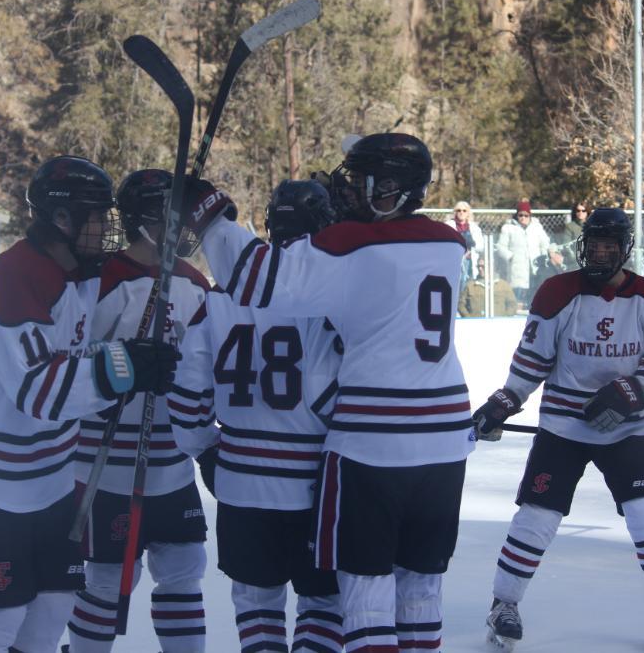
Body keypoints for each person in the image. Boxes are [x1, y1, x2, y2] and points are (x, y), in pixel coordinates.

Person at [189, 132, 475, 652]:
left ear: (388, 188)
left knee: (363, 595)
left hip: (371, 444)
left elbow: (255, 278)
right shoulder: (448, 243)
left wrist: (209, 216)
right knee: (420, 589)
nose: (344, 190)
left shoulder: (352, 246)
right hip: (445, 441)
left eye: (357, 178)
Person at [0, 156, 180, 653]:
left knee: (51, 611)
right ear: (62, 219)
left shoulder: (82, 276)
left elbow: (74, 356)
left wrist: (130, 356)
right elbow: (38, 391)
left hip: (49, 479)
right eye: (97, 217)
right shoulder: (17, 275)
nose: (107, 230)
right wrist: (124, 368)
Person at [472, 207, 644, 651]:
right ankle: (503, 605)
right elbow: (533, 359)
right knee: (536, 518)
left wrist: (631, 394)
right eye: (594, 244)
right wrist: (506, 399)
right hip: (562, 428)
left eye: (609, 246)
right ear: (582, 245)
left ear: (625, 249)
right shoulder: (557, 292)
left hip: (626, 430)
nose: (600, 253)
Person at [169, 179, 345, 653]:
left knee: (255, 600)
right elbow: (332, 398)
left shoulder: (222, 296)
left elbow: (187, 391)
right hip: (316, 484)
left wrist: (202, 448)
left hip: (242, 483)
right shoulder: (325, 299)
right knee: (324, 602)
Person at [66, 169, 212, 653]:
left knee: (184, 573)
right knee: (106, 579)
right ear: (144, 220)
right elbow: (69, 358)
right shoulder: (100, 279)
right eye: (176, 217)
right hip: (105, 464)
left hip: (172, 462)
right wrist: (122, 361)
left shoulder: (194, 283)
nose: (187, 228)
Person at [496, 197, 551, 308]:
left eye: (526, 215)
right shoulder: (508, 228)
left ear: (530, 216)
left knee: (534, 298)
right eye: (520, 215)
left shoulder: (537, 228)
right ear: (517, 215)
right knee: (518, 298)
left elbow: (545, 244)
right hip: (517, 268)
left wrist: (542, 258)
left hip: (535, 268)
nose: (523, 218)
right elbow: (500, 247)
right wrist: (511, 257)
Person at [444, 200, 484, 293]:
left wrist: (472, 247)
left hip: (470, 261)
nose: (461, 212)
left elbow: (481, 246)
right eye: (459, 210)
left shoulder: (474, 227)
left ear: (468, 213)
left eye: (464, 210)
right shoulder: (448, 225)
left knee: (469, 286)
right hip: (455, 262)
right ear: (455, 212)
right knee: (456, 286)